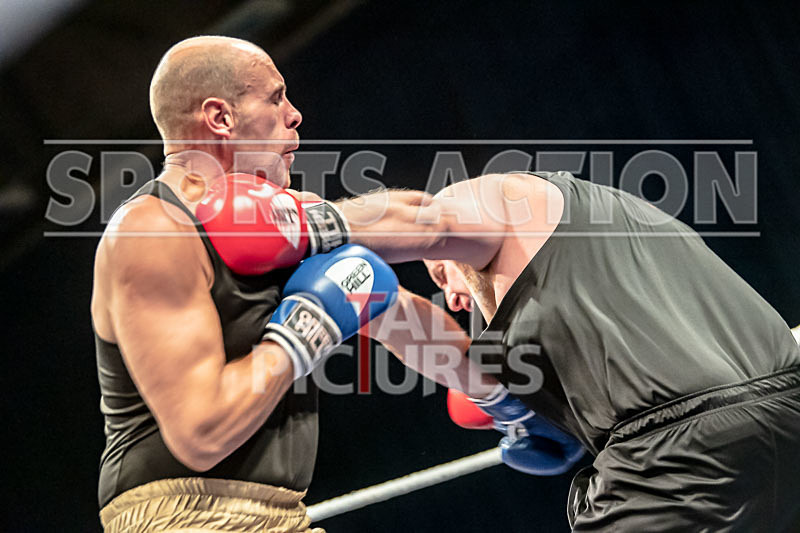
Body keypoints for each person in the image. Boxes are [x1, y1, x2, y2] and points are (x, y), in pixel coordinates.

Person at [355, 170, 800, 531]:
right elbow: (388, 306)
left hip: (675, 461)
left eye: (440, 275)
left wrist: (307, 224)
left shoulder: (494, 199)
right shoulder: (624, 235)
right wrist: (507, 404)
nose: (451, 297)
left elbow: (433, 220)